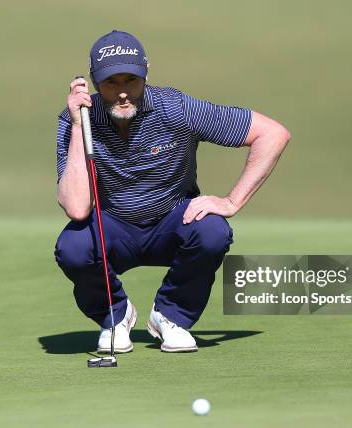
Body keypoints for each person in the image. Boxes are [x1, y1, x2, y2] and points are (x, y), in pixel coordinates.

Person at [54, 30, 290, 353]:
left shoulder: (175, 109)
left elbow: (272, 134)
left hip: (172, 219)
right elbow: (78, 208)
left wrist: (232, 201)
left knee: (213, 231)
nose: (123, 93)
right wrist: (81, 127)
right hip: (114, 225)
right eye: (111, 83)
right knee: (72, 247)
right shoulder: (75, 120)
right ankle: (116, 316)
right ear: (95, 82)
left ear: (146, 74)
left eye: (131, 81)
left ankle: (171, 316)